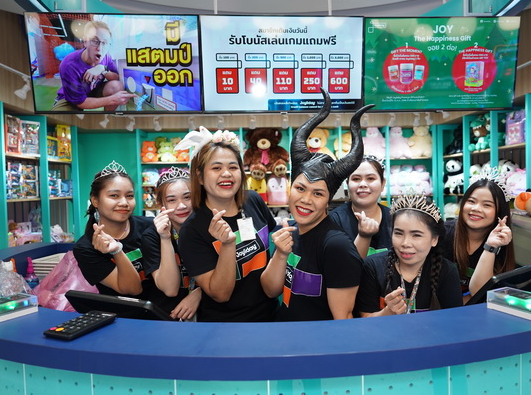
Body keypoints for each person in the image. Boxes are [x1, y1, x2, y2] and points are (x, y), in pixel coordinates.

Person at [261, 88, 373, 321]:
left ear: (328, 200)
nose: (306, 200)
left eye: (318, 193)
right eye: (300, 188)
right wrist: (280, 254)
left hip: (316, 342)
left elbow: (343, 319)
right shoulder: (291, 230)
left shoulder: (336, 247)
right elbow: (270, 291)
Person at [176, 127, 278, 322]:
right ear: (200, 177)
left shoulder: (253, 200)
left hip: (270, 316)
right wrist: (228, 245)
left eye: (233, 167)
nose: (226, 174)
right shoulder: (192, 230)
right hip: (227, 325)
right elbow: (220, 294)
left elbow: (272, 252)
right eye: (216, 168)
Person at [74, 161, 168, 307]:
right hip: (125, 315)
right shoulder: (86, 247)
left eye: (129, 196)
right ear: (95, 200)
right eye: (114, 195)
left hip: (168, 310)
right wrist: (117, 251)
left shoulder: (152, 226)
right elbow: (133, 289)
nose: (124, 202)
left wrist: (196, 293)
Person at [356, 194, 462, 316]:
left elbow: (453, 320)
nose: (405, 243)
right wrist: (388, 312)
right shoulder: (372, 267)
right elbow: (366, 319)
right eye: (398, 233)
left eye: (416, 235)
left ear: (434, 239)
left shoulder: (447, 271)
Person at [443, 169, 515, 300]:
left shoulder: (501, 241)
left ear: (499, 212)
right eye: (471, 201)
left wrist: (490, 247)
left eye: (487, 205)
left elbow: (479, 292)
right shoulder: (444, 233)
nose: (476, 208)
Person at [141, 167, 201, 321]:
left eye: (187, 197)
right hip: (167, 316)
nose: (181, 206)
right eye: (172, 200)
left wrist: (199, 293)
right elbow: (170, 289)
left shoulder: (208, 228)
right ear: (160, 203)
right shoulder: (152, 236)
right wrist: (165, 238)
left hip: (208, 312)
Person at [52, 20, 134, 112]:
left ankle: (108, 118)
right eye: (95, 41)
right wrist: (113, 99)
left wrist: (103, 69)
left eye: (105, 43)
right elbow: (80, 102)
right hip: (70, 99)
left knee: (116, 85)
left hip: (93, 90)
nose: (100, 48)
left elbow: (116, 77)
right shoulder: (69, 64)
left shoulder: (106, 57)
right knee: (62, 115)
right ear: (85, 41)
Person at [329, 155, 392, 258]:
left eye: (370, 178)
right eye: (356, 179)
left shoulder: (394, 219)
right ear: (347, 184)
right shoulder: (334, 221)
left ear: (382, 184)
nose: (363, 184)